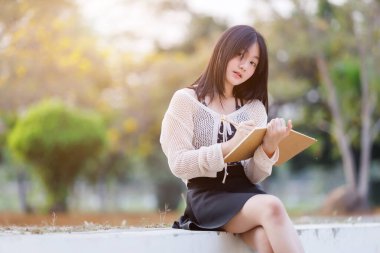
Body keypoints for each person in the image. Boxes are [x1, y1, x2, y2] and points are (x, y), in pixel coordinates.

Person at [160, 25, 304, 253]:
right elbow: (178, 163)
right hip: (206, 196)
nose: (244, 66)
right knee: (273, 206)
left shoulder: (255, 109)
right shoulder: (185, 100)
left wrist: (269, 146)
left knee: (264, 242)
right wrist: (227, 147)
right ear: (223, 51)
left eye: (253, 63)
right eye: (240, 56)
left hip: (246, 193)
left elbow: (252, 175)